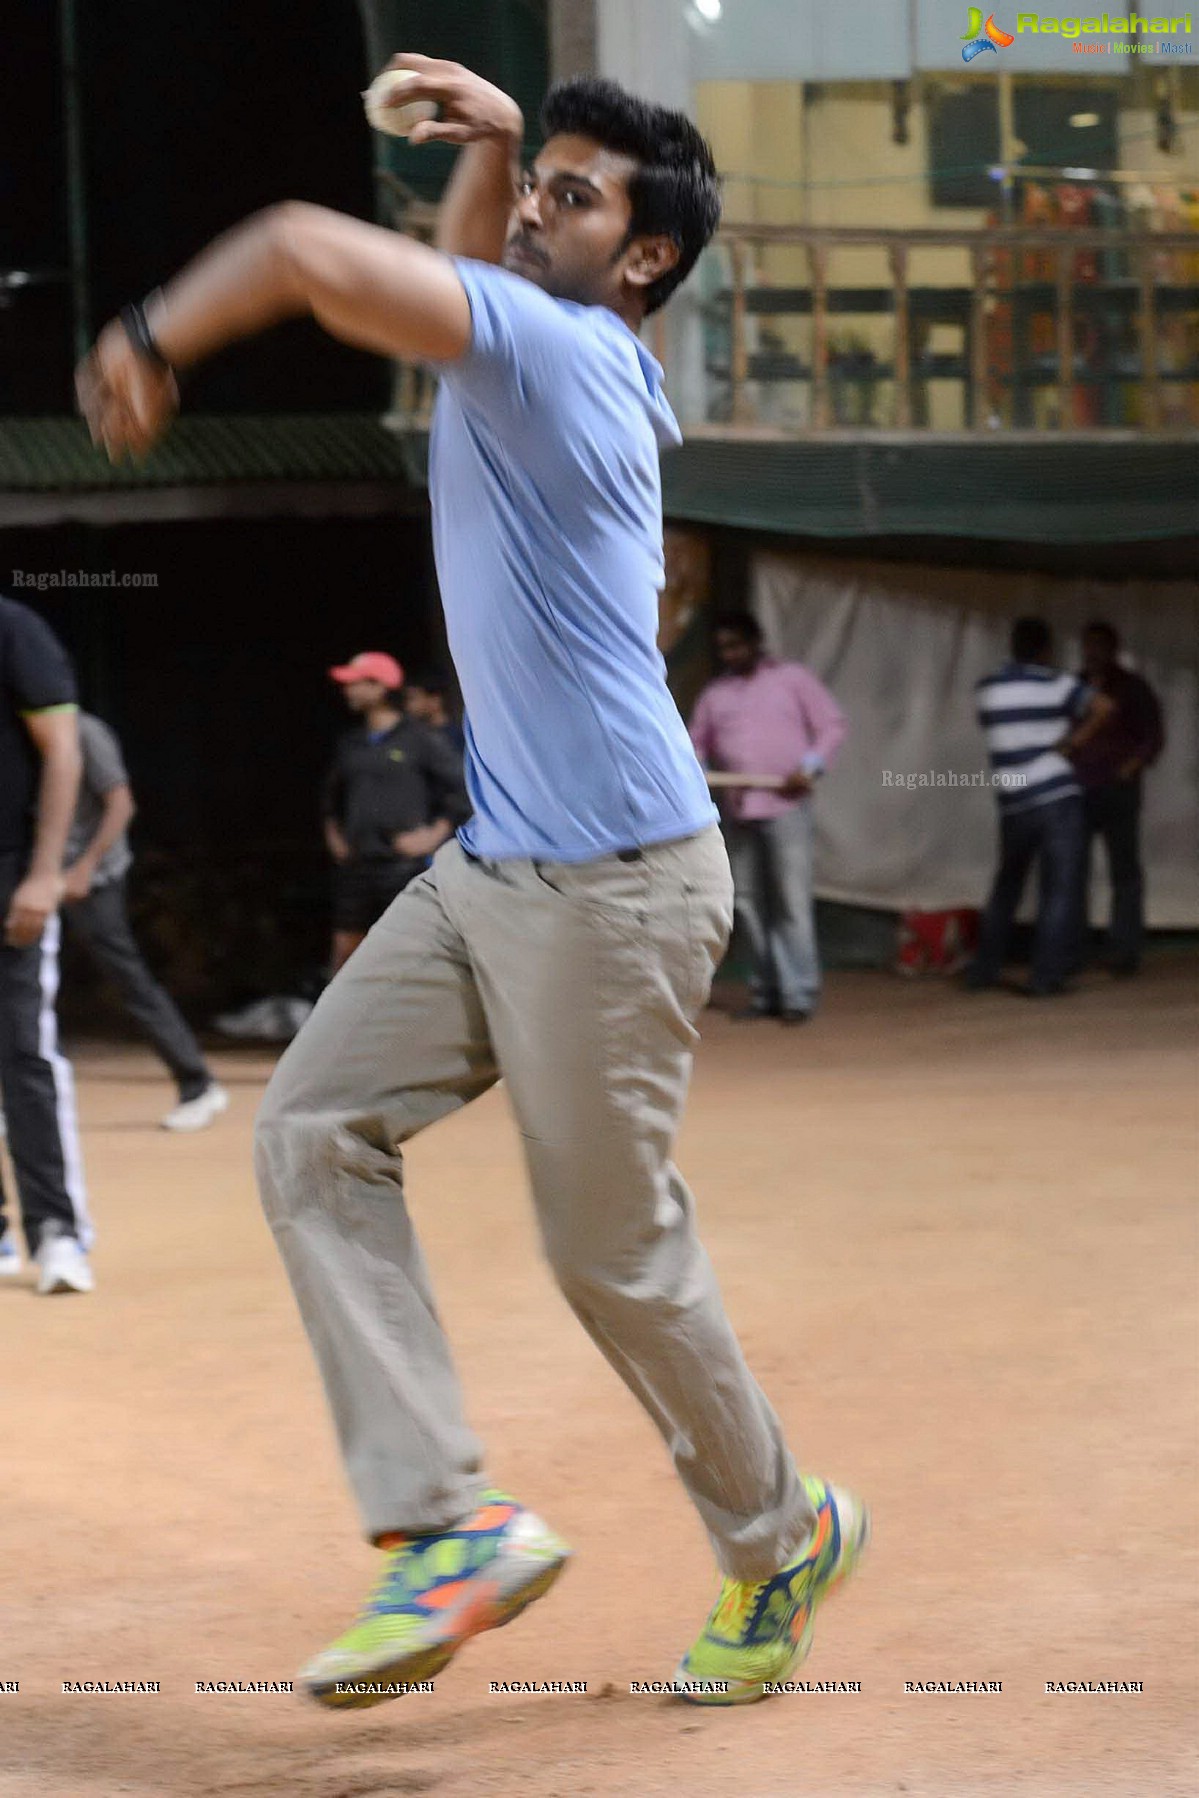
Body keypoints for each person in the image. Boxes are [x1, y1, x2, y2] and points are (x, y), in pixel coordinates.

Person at [76, 59, 868, 1708]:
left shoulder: (561, 355)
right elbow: (442, 293)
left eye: (572, 198)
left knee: (610, 1253)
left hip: (619, 882)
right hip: (499, 860)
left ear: (640, 258)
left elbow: (305, 249)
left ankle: (780, 1529)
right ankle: (447, 1525)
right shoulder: (553, 345)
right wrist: (504, 144)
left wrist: (146, 336)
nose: (527, 216)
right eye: (534, 189)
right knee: (308, 1128)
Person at [60, 711, 228, 1130]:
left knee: (128, 980)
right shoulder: (19, 731)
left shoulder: (85, 731)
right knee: (18, 984)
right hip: (40, 879)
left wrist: (86, 866)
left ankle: (198, 1084)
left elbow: (121, 804)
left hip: (94, 879)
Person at [0, 596, 94, 1292]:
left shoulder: (14, 628)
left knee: (23, 1055)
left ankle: (58, 1232)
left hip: (11, 879)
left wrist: (43, 872)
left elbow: (63, 750)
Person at [689, 611, 847, 1023]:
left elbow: (831, 725)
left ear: (756, 642)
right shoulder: (715, 695)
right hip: (739, 807)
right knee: (746, 903)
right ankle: (765, 993)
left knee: (791, 903)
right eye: (724, 648)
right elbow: (695, 744)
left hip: (786, 805)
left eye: (737, 645)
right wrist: (699, 769)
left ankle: (798, 995)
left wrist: (810, 767)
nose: (731, 654)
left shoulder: (792, 680)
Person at [968, 616, 1112, 997]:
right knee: (1059, 889)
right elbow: (1103, 708)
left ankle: (983, 970)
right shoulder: (1057, 683)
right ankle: (1045, 977)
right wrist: (1071, 742)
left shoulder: (987, 688)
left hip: (1013, 799)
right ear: (1047, 650)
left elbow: (992, 725)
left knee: (1006, 887)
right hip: (1055, 796)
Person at [322, 650, 470, 972]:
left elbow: (462, 791)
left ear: (380, 687)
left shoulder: (420, 739)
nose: (349, 691)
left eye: (356, 683)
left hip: (403, 865)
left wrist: (433, 834)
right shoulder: (351, 744)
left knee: (415, 949)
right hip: (358, 863)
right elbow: (331, 799)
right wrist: (334, 834)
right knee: (346, 949)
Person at [1072, 621, 1165, 977]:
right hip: (1079, 790)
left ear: (1113, 649)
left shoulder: (1132, 687)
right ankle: (1073, 950)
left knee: (1124, 873)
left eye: (1100, 645)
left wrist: (1133, 765)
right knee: (1073, 871)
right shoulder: (1074, 686)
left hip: (1119, 791)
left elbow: (1153, 735)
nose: (1093, 652)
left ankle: (1124, 952)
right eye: (1088, 645)